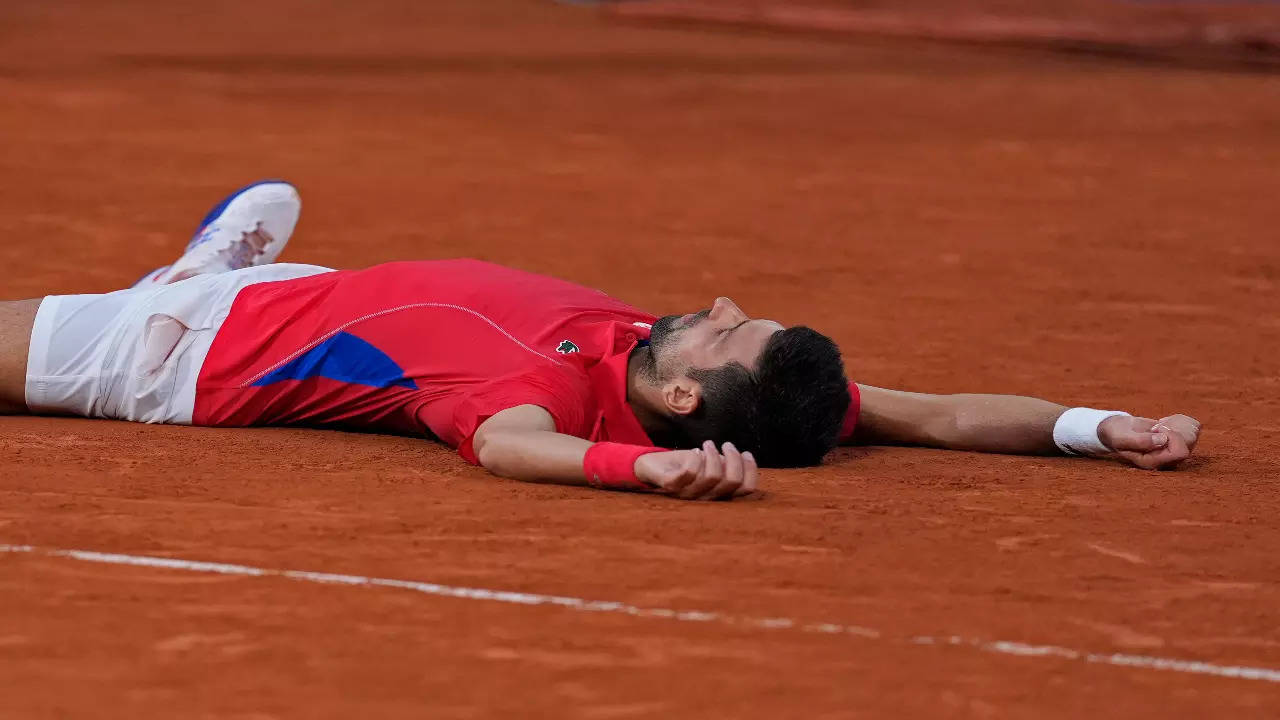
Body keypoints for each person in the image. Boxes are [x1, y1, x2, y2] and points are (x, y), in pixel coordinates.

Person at [0, 182, 1201, 501]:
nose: (720, 301)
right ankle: (205, 264)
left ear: (683, 400)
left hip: (168, 356)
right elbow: (935, 415)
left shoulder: (525, 394)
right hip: (315, 295)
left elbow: (514, 451)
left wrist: (643, 473)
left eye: (725, 331)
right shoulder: (754, 390)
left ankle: (184, 284)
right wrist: (1097, 429)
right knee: (328, 283)